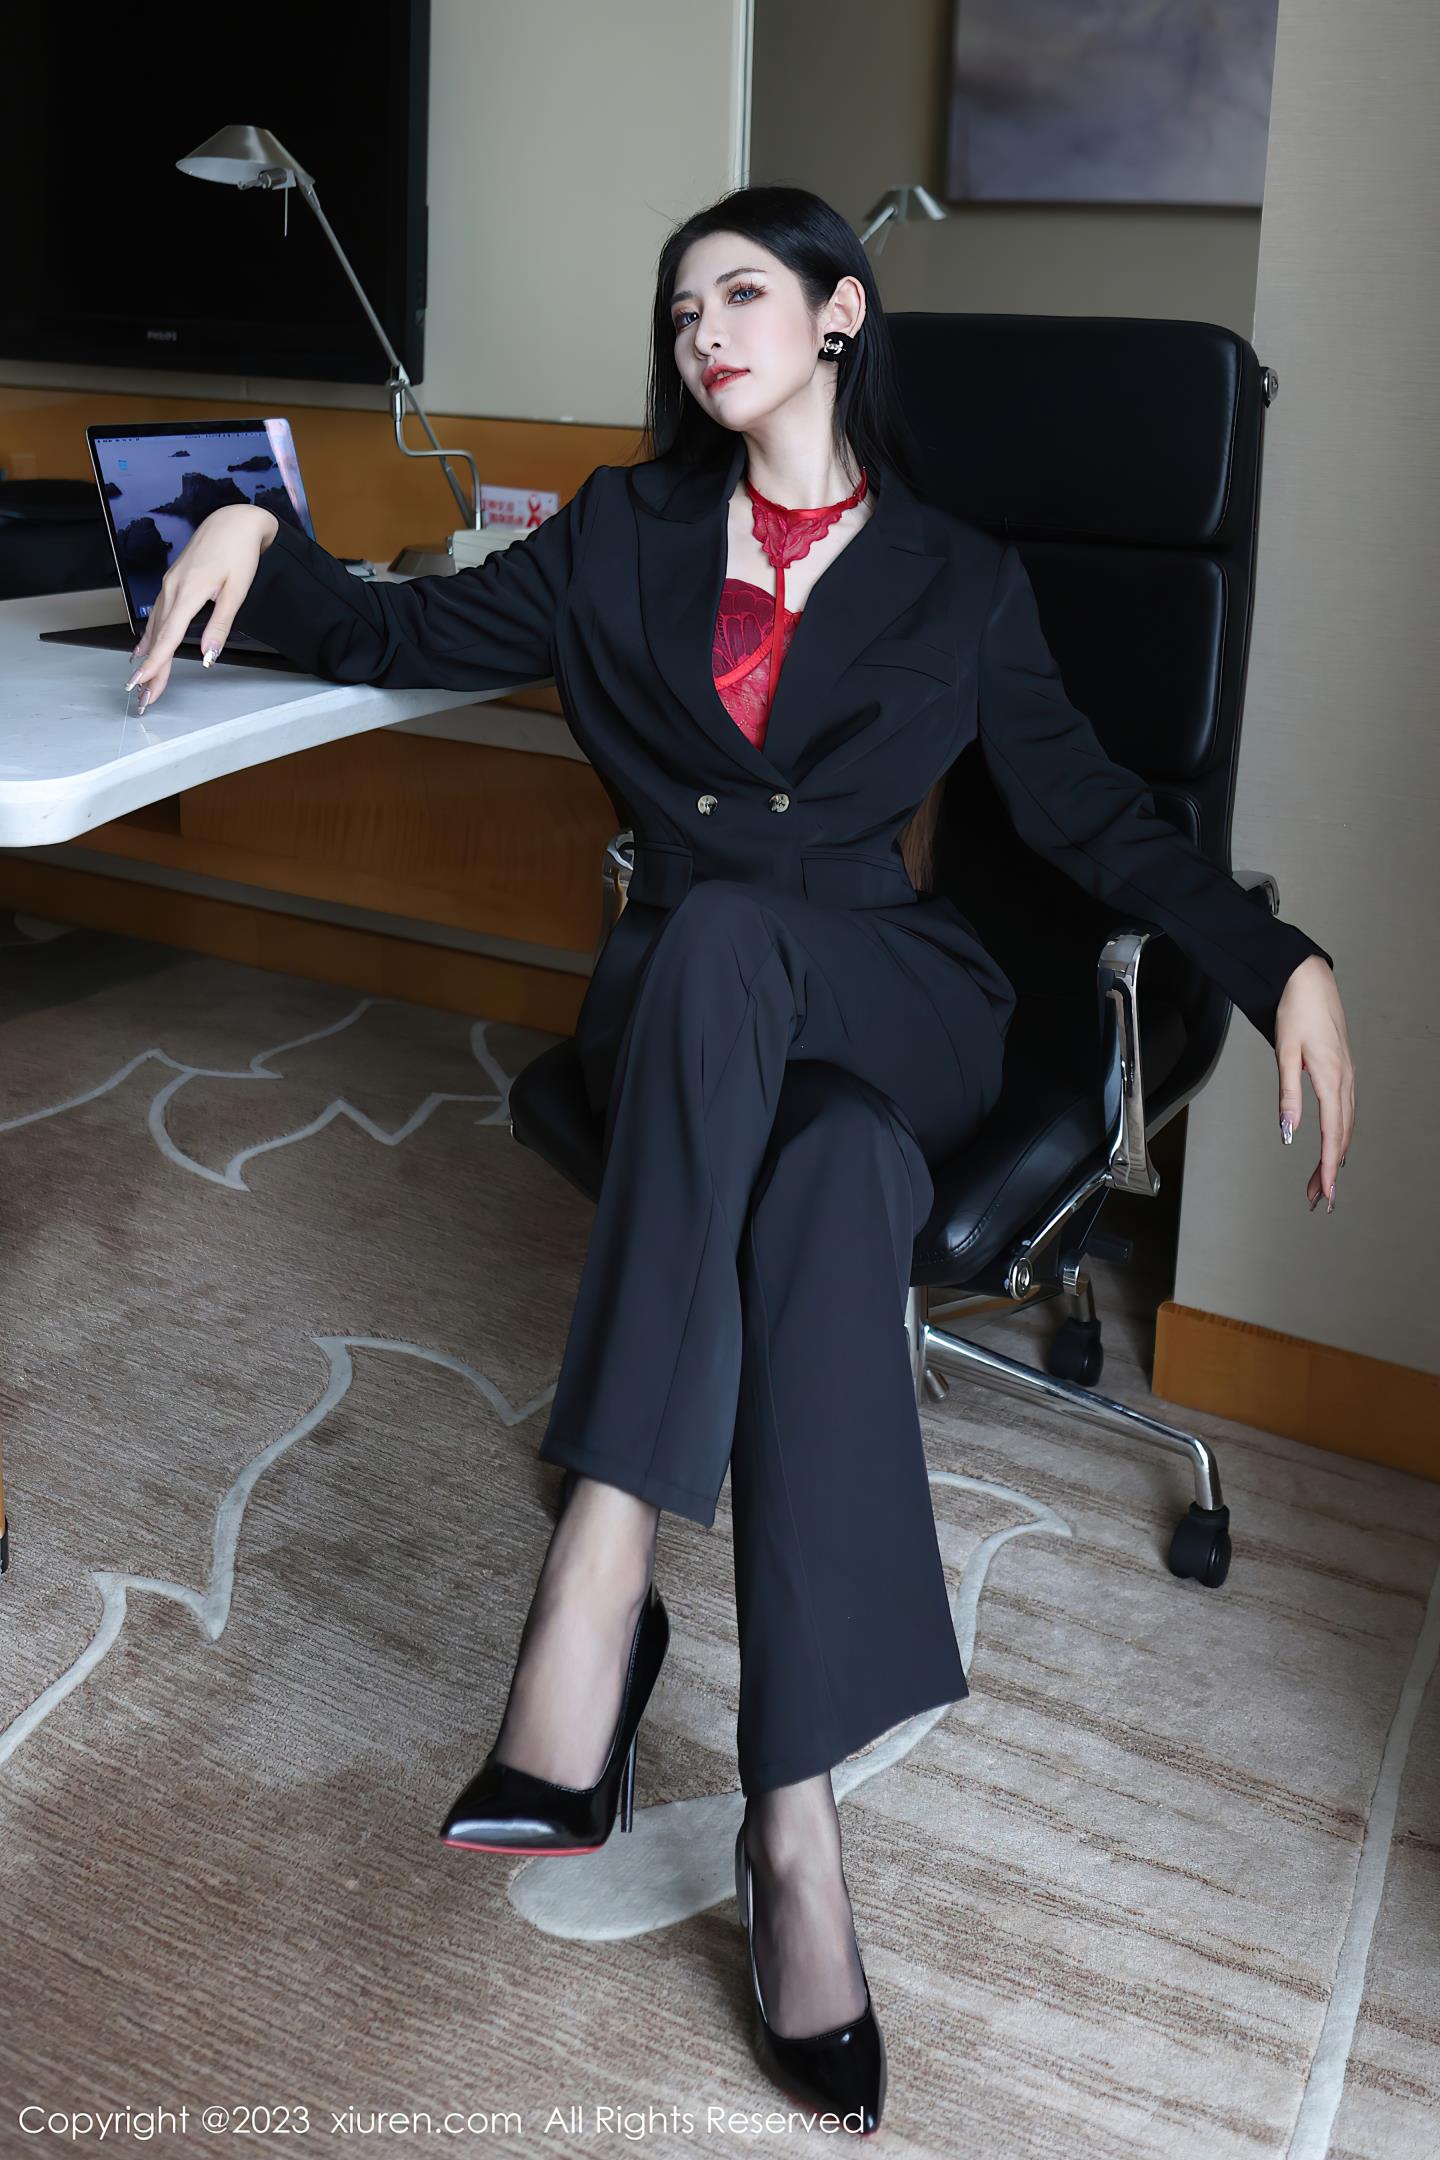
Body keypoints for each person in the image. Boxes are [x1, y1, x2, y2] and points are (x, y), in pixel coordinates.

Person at [125, 184, 1357, 2137]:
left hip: (895, 988)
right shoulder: (614, 534)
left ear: (841, 314)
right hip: (701, 1019)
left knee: (734, 950)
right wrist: (253, 533)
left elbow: (1099, 818)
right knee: (826, 1180)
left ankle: (599, 1570)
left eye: (745, 291)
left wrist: (1279, 962)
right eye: (681, 303)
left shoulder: (960, 574)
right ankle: (796, 1835)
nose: (703, 327)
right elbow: (393, 632)